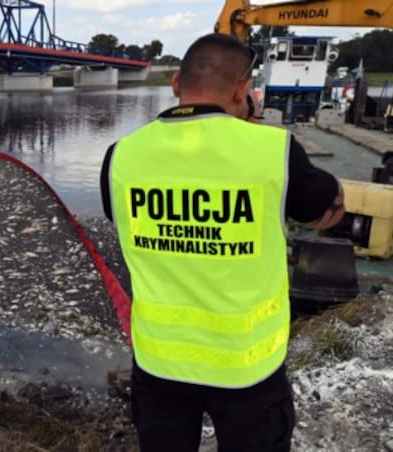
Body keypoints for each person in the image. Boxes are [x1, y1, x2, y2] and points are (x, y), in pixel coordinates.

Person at [99, 33, 345, 452]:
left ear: (176, 83)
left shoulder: (121, 156)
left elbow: (118, 214)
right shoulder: (274, 151)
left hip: (161, 365)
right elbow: (326, 213)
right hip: (246, 369)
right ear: (242, 90)